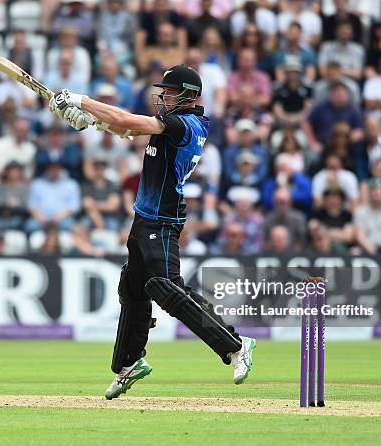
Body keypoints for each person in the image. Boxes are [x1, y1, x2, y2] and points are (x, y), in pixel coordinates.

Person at [48, 64, 255, 398]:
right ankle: (129, 363)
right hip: (146, 219)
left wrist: (81, 100)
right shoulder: (176, 124)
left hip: (161, 220)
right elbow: (125, 129)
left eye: (170, 92)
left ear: (189, 95)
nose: (164, 96)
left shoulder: (184, 123)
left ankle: (235, 345)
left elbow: (129, 122)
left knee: (166, 288)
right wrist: (89, 122)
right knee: (132, 289)